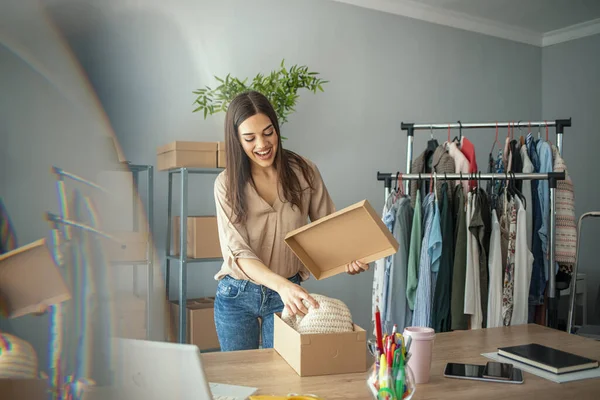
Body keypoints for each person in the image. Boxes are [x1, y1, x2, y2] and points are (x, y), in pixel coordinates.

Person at [213, 91, 368, 351]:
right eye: (250, 138)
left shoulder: (304, 172)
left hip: (289, 297)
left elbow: (328, 228)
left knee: (285, 381)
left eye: (268, 132)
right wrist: (281, 286)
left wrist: (348, 259)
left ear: (276, 128)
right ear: (237, 140)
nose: (262, 144)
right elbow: (238, 253)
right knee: (242, 384)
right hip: (237, 294)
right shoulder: (226, 184)